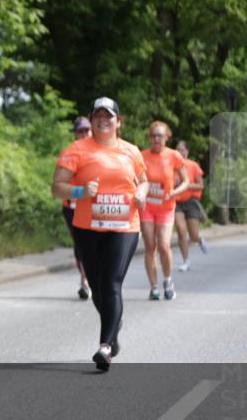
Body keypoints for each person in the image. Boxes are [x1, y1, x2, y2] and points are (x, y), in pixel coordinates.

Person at [52, 97, 149, 372]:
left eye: (109, 116)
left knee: (112, 283)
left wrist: (141, 193)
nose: (103, 120)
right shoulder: (77, 150)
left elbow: (143, 180)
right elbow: (57, 188)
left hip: (124, 227)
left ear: (118, 121)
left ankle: (105, 347)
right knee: (96, 286)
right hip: (87, 227)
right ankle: (113, 328)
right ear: (91, 120)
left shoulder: (131, 151)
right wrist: (81, 192)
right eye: (98, 116)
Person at [140, 122, 190, 300]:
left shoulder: (174, 156)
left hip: (166, 207)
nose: (156, 139)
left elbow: (186, 181)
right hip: (147, 207)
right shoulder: (142, 156)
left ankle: (168, 281)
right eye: (153, 135)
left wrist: (174, 192)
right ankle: (153, 287)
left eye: (160, 135)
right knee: (150, 247)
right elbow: (134, 178)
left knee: (163, 246)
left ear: (167, 137)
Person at [61, 116, 93, 299]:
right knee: (80, 244)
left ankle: (92, 278)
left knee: (93, 244)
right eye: (80, 131)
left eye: (86, 130)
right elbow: (60, 183)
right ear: (75, 133)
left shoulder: (98, 152)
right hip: (72, 206)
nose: (83, 134)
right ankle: (84, 281)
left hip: (92, 206)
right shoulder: (69, 153)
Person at [173, 140, 208, 271]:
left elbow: (200, 185)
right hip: (177, 202)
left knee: (193, 235)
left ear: (187, 151)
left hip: (191, 202)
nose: (179, 152)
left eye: (182, 149)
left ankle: (199, 240)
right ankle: (185, 261)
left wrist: (186, 185)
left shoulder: (193, 165)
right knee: (181, 232)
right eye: (177, 150)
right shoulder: (172, 167)